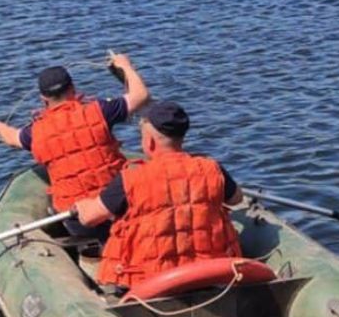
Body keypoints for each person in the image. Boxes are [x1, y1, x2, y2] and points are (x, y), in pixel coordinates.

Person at [74, 100, 243, 288]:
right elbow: (237, 199)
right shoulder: (211, 168)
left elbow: (90, 218)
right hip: (207, 274)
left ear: (150, 142)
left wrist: (82, 206)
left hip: (148, 282)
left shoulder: (131, 177)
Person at [0, 54, 149, 238]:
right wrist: (125, 66)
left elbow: (12, 138)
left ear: (44, 99)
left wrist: (0, 128)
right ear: (72, 88)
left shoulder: (34, 132)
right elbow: (140, 95)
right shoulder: (101, 111)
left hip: (78, 221)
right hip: (117, 206)